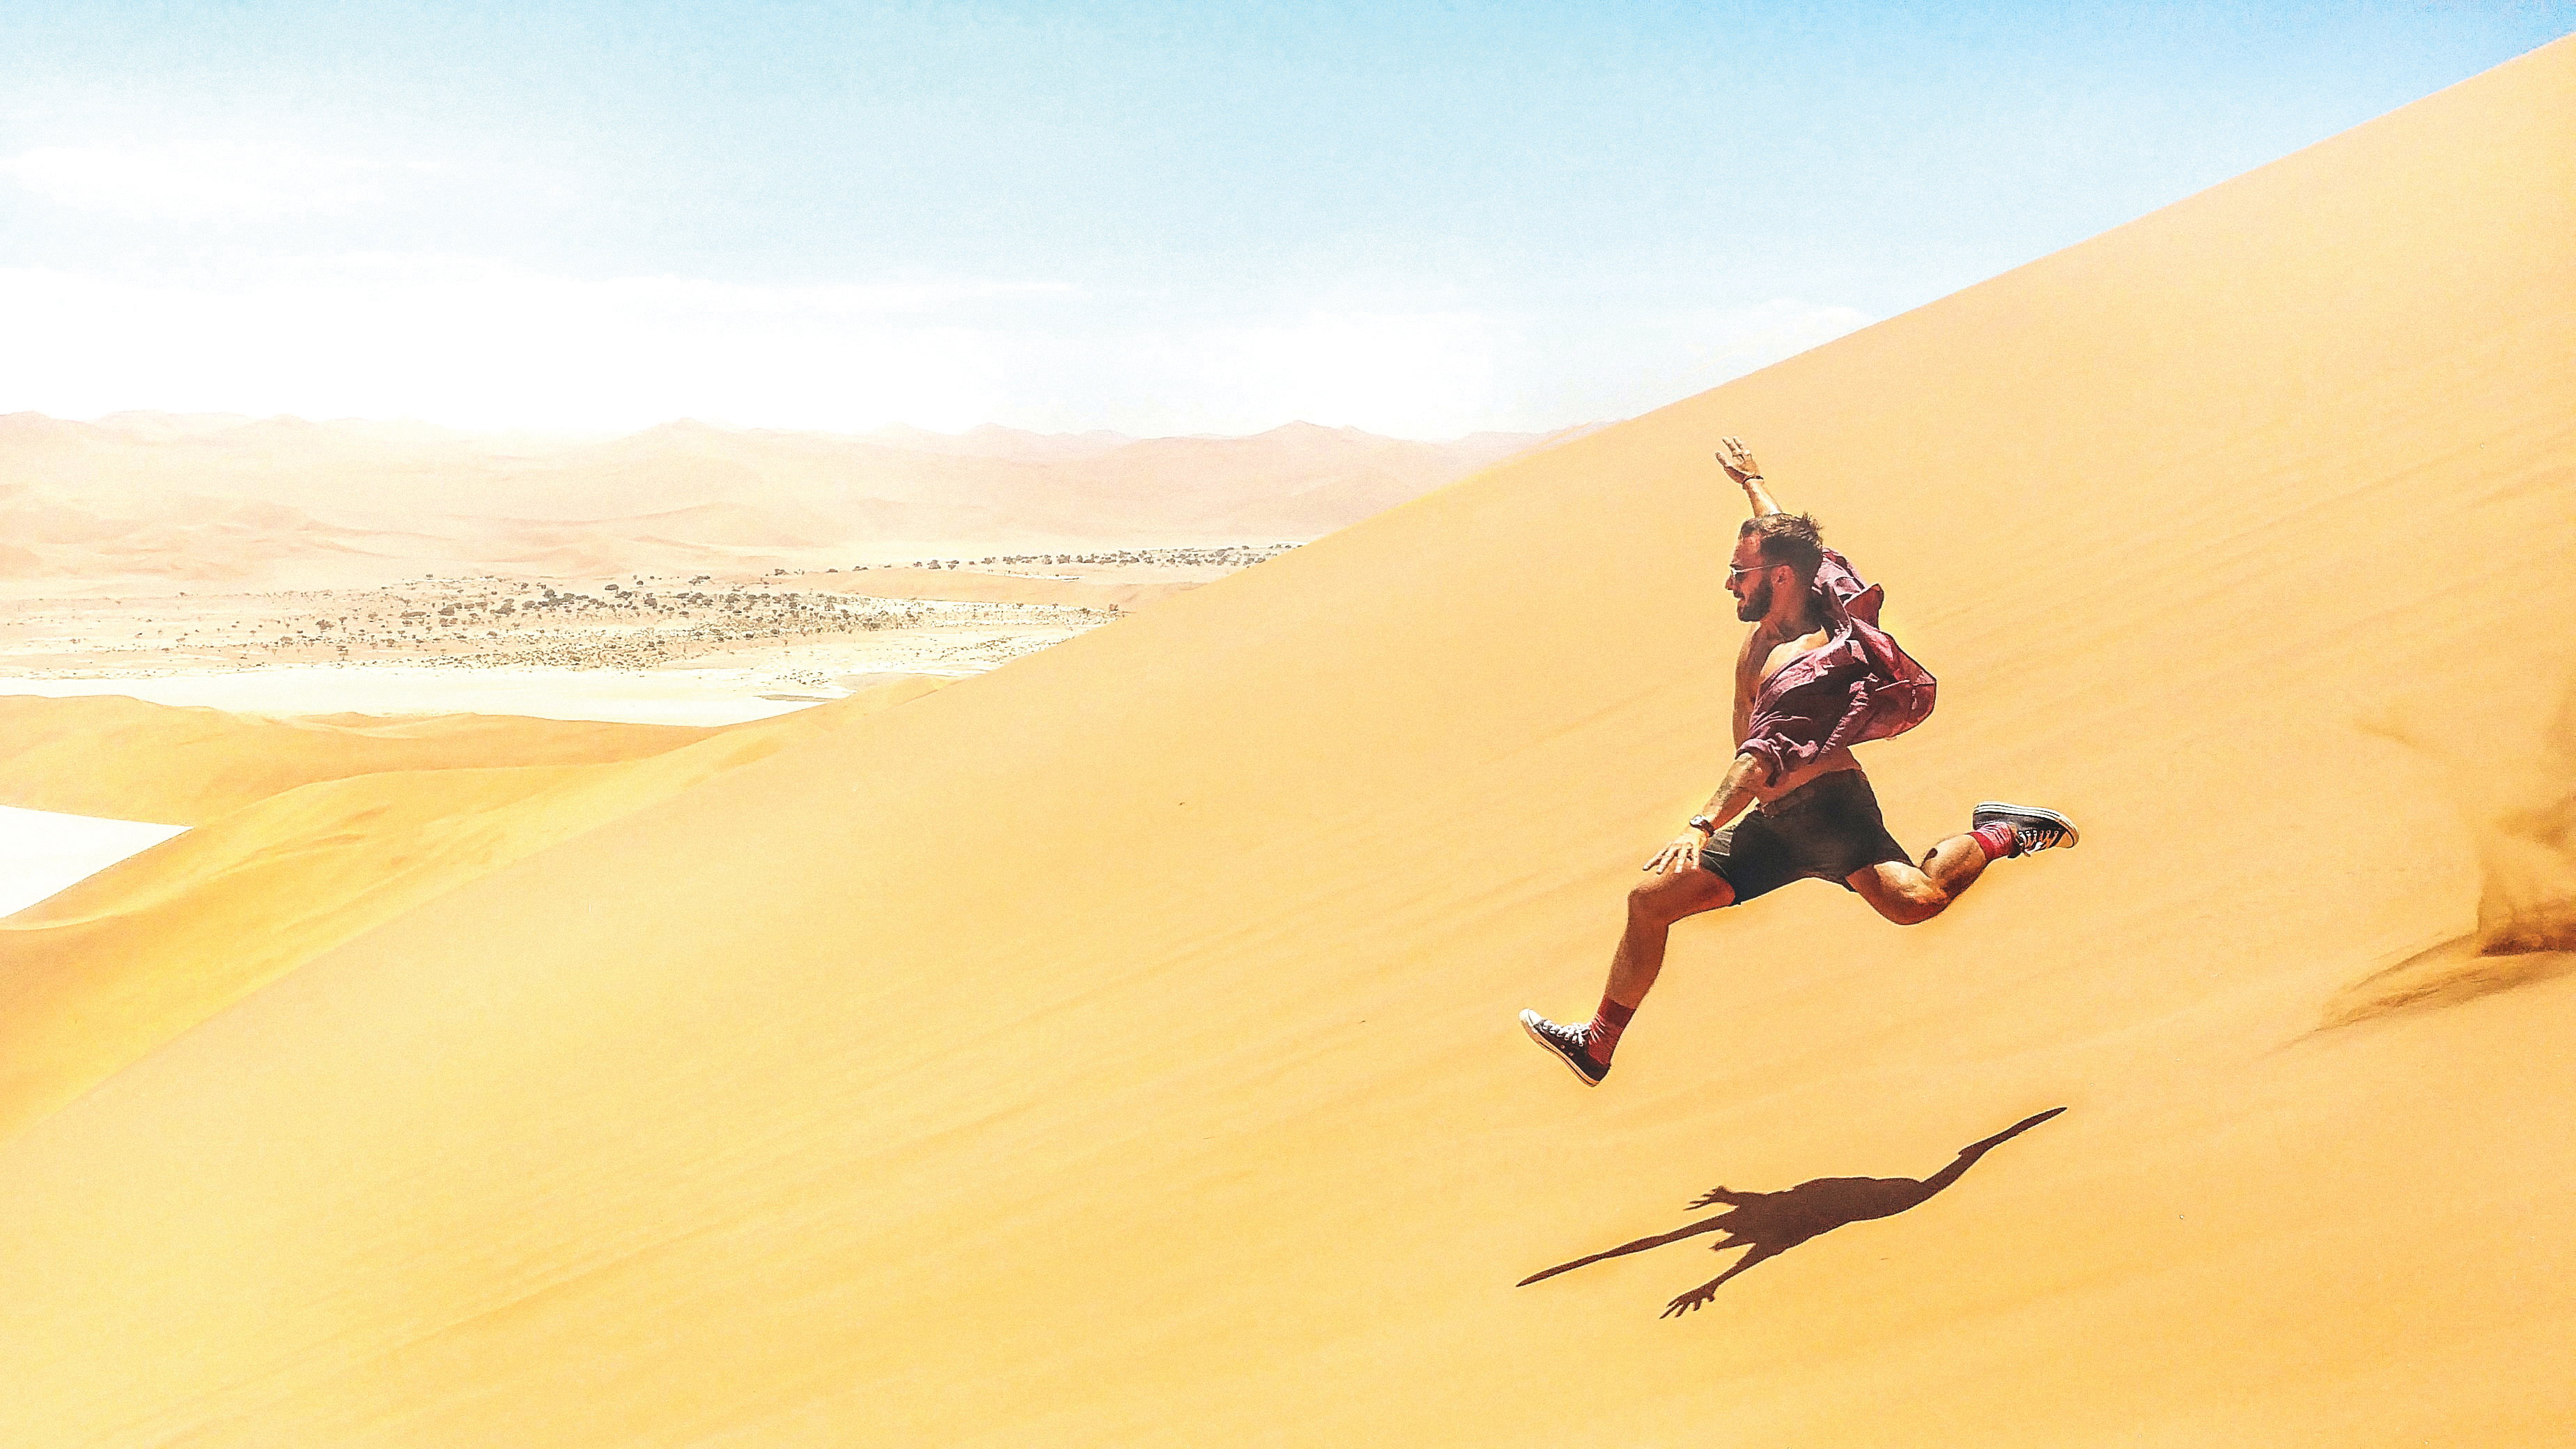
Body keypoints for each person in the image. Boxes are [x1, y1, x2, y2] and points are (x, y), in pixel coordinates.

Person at [1519, 437, 2079, 1086]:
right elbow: (1798, 544)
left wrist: (1701, 824)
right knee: (1649, 902)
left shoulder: (1803, 665)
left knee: (1917, 902)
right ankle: (1597, 1045)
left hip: (1830, 815)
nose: (1731, 581)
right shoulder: (1804, 583)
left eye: (1741, 572)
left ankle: (2002, 830)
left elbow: (1757, 760)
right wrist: (1752, 482)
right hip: (1774, 826)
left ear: (1778, 579)